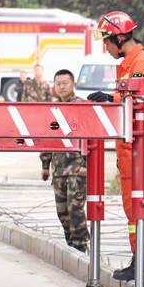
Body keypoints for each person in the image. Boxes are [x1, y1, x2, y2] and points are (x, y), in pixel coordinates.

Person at [88, 11, 144, 282]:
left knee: (139, 204)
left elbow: (138, 96)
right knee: (132, 206)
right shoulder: (129, 63)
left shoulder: (140, 62)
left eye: (107, 42)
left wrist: (110, 96)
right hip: (129, 145)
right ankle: (139, 259)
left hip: (138, 145)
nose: (106, 49)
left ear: (119, 37)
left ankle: (143, 260)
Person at [41, 70, 90, 253]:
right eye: (58, 83)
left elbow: (91, 138)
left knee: (75, 209)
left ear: (73, 83)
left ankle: (81, 246)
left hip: (77, 170)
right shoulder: (53, 110)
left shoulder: (82, 107)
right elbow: (47, 138)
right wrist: (45, 165)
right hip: (59, 170)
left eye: (65, 83)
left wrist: (86, 165)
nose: (61, 87)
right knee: (62, 213)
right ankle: (71, 245)